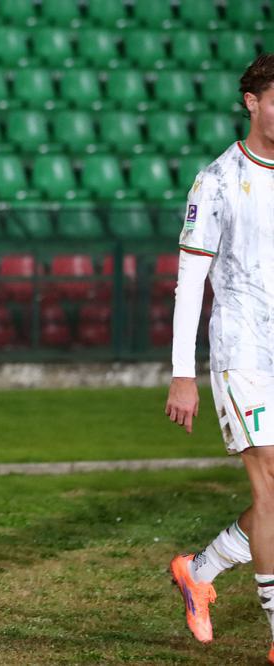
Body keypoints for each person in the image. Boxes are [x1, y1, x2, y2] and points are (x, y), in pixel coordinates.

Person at [166, 53, 274, 662]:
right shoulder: (218, 180)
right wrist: (183, 374)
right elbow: (190, 283)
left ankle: (199, 569)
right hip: (243, 353)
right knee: (272, 479)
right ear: (251, 102)